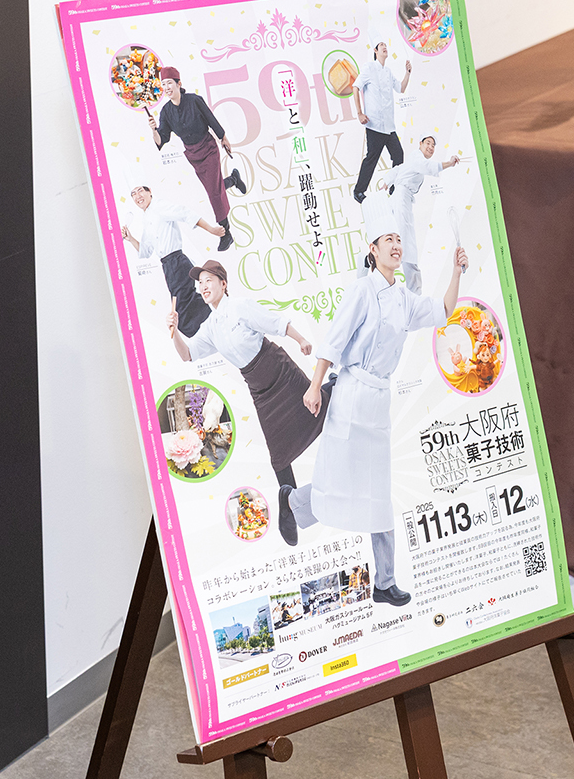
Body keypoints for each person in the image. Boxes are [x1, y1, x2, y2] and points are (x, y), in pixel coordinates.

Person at [280, 206, 468, 607]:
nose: (396, 246)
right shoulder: (361, 291)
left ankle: (385, 581)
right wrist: (314, 386)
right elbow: (333, 340)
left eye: (399, 240)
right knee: (338, 480)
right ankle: (294, 503)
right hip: (351, 395)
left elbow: (442, 312)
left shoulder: (403, 297)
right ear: (373, 249)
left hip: (379, 402)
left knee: (378, 493)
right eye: (388, 241)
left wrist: (456, 272)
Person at [168, 259, 329, 545]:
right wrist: (175, 333)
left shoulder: (240, 307)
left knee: (321, 410)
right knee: (278, 454)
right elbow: (187, 355)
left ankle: (333, 386)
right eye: (200, 283)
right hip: (260, 389)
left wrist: (301, 340)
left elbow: (275, 322)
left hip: (279, 371)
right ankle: (290, 507)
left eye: (208, 280)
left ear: (223, 284)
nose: (203, 287)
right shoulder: (210, 326)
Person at [148, 66, 249, 252]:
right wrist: (154, 130)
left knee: (213, 192)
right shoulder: (166, 112)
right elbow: (162, 140)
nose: (166, 87)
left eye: (169, 83)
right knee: (213, 188)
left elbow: (211, 119)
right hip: (193, 155)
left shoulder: (194, 100)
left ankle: (226, 233)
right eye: (163, 84)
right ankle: (233, 179)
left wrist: (223, 137)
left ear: (179, 84)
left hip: (208, 148)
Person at [121, 185, 223, 337]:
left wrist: (212, 230)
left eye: (140, 190)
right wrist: (130, 238)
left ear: (150, 192)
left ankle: (218, 326)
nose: (137, 196)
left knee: (182, 311)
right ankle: (216, 328)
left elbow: (185, 213)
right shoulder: (147, 217)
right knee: (186, 306)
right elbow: (146, 250)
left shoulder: (159, 206)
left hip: (177, 263)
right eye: (133, 194)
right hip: (169, 267)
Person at [365, 135, 460, 293]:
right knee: (405, 244)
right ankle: (414, 292)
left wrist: (387, 182)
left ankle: (368, 262)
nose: (430, 147)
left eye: (433, 145)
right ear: (420, 143)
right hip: (401, 201)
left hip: (398, 200)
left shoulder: (412, 159)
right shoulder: (417, 158)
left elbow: (398, 169)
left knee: (395, 241)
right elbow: (425, 166)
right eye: (428, 143)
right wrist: (449, 163)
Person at [352, 37, 412, 202]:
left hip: (389, 126)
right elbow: (355, 87)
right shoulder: (369, 68)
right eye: (381, 45)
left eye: (386, 45)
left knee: (398, 155)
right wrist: (359, 113)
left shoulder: (388, 72)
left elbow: (401, 88)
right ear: (375, 51)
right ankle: (358, 191)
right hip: (374, 124)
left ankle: (394, 189)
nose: (385, 47)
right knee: (372, 158)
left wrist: (407, 73)